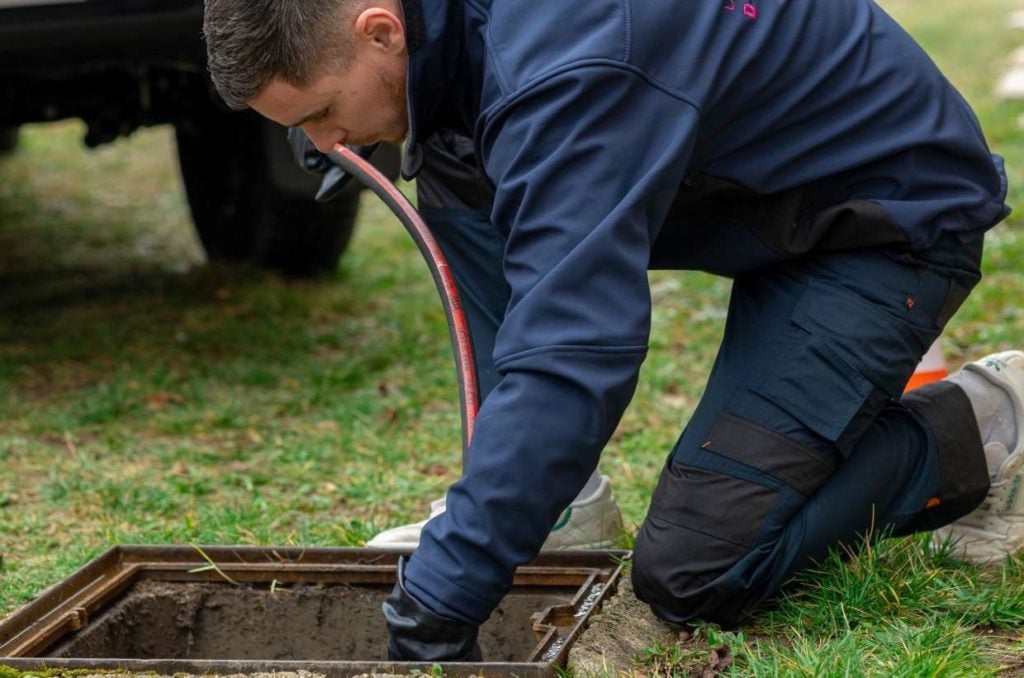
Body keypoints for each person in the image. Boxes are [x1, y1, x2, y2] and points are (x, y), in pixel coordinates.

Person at [202, 0, 1018, 661]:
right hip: (754, 191)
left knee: (700, 569)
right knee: (451, 158)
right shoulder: (454, 40)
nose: (323, 146)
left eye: (318, 115)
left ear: (381, 29)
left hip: (879, 217)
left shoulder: (569, 63)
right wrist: (507, 515)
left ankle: (988, 419)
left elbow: (576, 349)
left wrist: (448, 590)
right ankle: (564, 507)